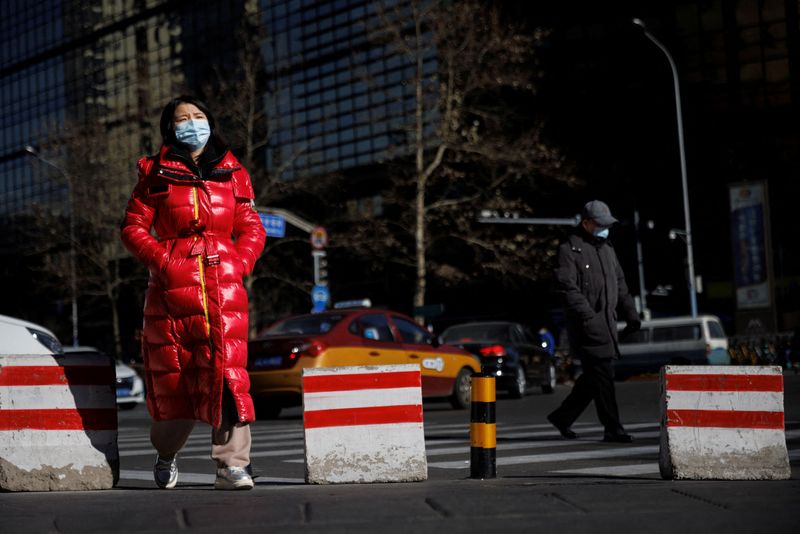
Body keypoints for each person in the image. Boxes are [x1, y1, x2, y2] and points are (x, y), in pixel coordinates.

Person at [120, 96, 266, 490]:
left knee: (228, 377)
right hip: (171, 292)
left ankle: (232, 465)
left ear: (210, 121)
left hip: (224, 288)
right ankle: (166, 453)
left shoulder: (234, 171)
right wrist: (164, 260)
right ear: (170, 129)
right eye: (182, 119)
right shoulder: (154, 173)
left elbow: (252, 226)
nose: (191, 123)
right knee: (175, 389)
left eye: (198, 116)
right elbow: (133, 228)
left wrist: (241, 261)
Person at [546, 200, 640, 443]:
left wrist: (631, 314)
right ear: (586, 223)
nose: (605, 229)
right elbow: (567, 287)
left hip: (607, 323)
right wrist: (588, 316)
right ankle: (613, 428)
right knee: (603, 375)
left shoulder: (607, 249)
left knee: (594, 378)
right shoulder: (570, 249)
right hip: (587, 325)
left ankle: (562, 417)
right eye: (600, 224)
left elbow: (620, 285)